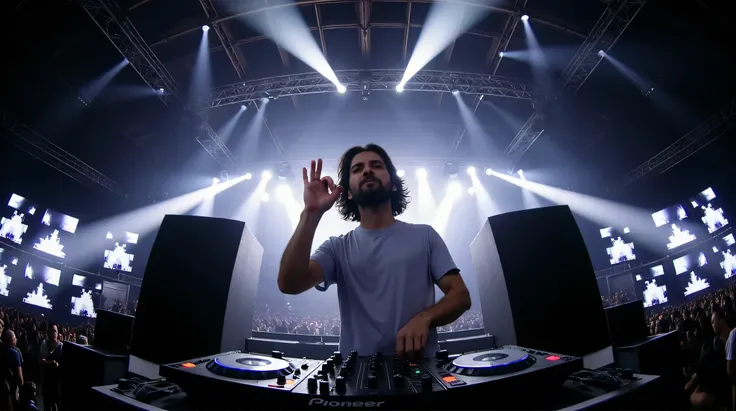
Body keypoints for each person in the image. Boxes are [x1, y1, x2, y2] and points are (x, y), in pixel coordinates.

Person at [277, 144, 472, 359]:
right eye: (357, 169)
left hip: (419, 370)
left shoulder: (426, 236)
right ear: (348, 193)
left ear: (394, 185)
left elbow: (460, 295)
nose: (367, 171)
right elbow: (289, 283)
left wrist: (425, 318)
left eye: (376, 165)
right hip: (355, 380)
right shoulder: (337, 248)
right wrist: (311, 213)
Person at [39, 324, 62, 411]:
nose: (53, 333)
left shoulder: (61, 346)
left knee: (57, 404)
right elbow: (41, 360)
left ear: (58, 333)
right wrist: (50, 363)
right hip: (46, 380)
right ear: (48, 333)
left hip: (57, 382)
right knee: (47, 405)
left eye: (55, 331)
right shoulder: (44, 344)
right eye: (51, 331)